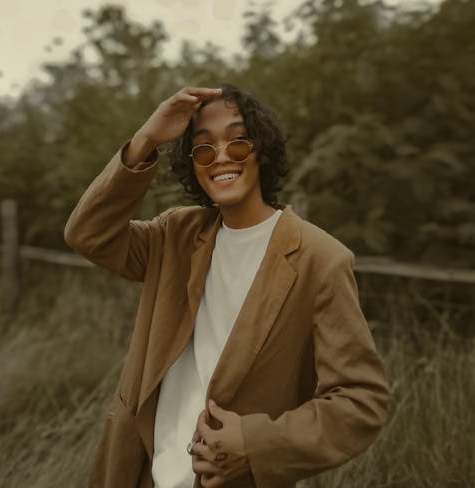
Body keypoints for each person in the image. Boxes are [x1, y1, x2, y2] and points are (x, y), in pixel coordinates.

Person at [64, 84, 389, 488]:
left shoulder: (320, 259)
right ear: (193, 164)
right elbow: (88, 234)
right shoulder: (174, 235)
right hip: (139, 474)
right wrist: (146, 140)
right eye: (203, 148)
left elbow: (362, 403)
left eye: (238, 142)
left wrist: (257, 444)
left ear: (262, 151)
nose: (220, 157)